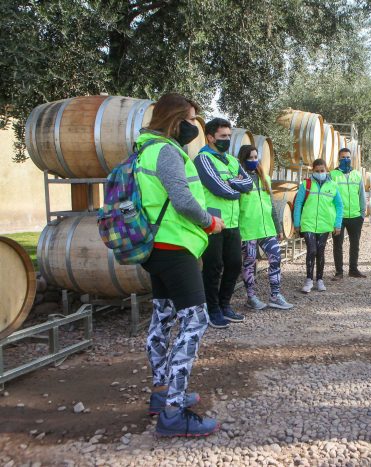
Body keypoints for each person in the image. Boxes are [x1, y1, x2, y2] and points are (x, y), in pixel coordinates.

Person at [136, 93, 221, 436]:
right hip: (175, 244)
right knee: (196, 321)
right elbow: (183, 201)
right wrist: (209, 223)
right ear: (174, 120)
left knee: (162, 316)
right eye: (189, 119)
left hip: (156, 246)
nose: (192, 126)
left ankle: (161, 392)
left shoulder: (144, 149)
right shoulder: (168, 152)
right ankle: (173, 411)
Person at [194, 118, 252, 328]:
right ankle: (212, 309)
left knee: (235, 264)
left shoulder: (232, 161)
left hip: (233, 223)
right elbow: (220, 189)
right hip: (213, 223)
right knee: (213, 267)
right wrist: (236, 188)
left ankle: (225, 305)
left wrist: (233, 183)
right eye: (222, 136)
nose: (227, 140)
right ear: (210, 137)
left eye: (228, 136)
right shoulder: (203, 160)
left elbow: (249, 183)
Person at [237, 145, 294, 311]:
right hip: (248, 229)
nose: (254, 161)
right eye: (250, 158)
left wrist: (278, 228)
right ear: (243, 160)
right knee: (249, 263)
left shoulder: (265, 179)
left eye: (256, 157)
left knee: (276, 258)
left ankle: (275, 295)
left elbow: (271, 206)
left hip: (267, 229)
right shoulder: (239, 179)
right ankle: (251, 297)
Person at [295, 159, 344, 293]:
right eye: (317, 171)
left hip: (325, 224)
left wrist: (337, 224)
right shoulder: (306, 184)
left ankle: (320, 280)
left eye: (322, 170)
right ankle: (309, 280)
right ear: (313, 171)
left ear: (326, 170)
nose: (320, 173)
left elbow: (340, 205)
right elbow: (298, 203)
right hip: (308, 223)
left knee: (320, 252)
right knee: (312, 250)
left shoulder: (333, 186)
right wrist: (297, 223)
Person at [330, 148, 366, 279]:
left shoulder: (357, 174)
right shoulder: (332, 175)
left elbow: (362, 195)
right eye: (343, 157)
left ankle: (353, 269)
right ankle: (339, 272)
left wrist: (362, 214)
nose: (346, 159)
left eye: (348, 157)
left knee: (355, 244)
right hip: (339, 217)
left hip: (356, 216)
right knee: (337, 245)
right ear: (338, 159)